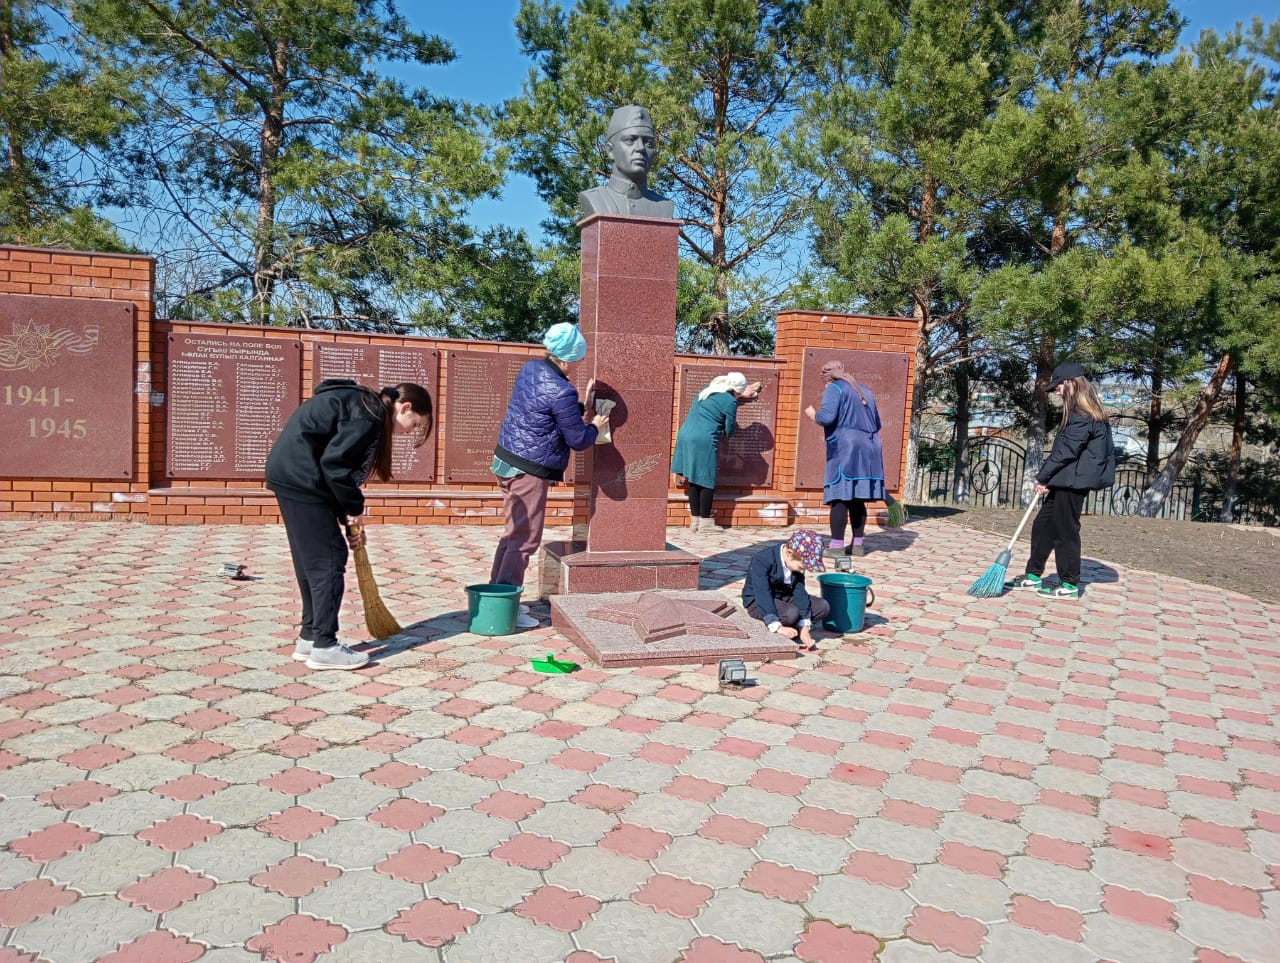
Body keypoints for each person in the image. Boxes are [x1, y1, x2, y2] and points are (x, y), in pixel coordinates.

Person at [265, 380, 433, 670]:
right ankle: (325, 646)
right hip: (303, 479)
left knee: (311, 562)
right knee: (329, 561)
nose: (410, 432)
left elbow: (333, 468)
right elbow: (335, 467)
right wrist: (354, 509)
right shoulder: (368, 414)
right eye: (415, 424)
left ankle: (309, 638)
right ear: (405, 407)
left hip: (293, 477)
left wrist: (348, 517)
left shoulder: (363, 407)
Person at [491, 322, 611, 629]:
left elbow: (544, 410)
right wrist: (595, 425)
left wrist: (580, 406)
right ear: (570, 357)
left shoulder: (530, 369)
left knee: (512, 534)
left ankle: (496, 595)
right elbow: (578, 440)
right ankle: (506, 605)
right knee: (525, 539)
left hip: (506, 460)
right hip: (528, 470)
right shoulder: (562, 390)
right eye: (579, 357)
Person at [1011, 361, 1115, 601]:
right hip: (1066, 478)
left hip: (1074, 482)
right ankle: (1033, 574)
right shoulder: (1080, 412)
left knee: (1065, 530)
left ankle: (1069, 584)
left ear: (1071, 383)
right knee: (1043, 525)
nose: (1056, 391)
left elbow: (1066, 452)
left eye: (1058, 386)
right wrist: (1050, 478)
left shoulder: (1082, 414)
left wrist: (1043, 477)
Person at [804, 360, 886, 559]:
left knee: (839, 496)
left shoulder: (835, 387)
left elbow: (826, 417)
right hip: (870, 448)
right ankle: (858, 545)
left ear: (828, 375)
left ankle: (836, 546)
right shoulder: (865, 390)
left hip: (846, 448)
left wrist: (813, 415)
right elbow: (877, 423)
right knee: (857, 498)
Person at [671, 372, 761, 531]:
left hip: (685, 435)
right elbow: (729, 429)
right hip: (703, 439)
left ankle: (695, 521)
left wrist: (740, 395)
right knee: (706, 480)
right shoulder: (730, 401)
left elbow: (719, 402)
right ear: (738, 390)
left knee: (694, 479)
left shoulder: (708, 389)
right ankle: (705, 522)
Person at [578, 105, 676, 218]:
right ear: (610, 150)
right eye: (630, 140)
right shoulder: (596, 199)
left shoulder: (664, 207)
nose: (641, 148)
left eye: (648, 143)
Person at [742, 529, 831, 652]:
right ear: (789, 554)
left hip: (784, 597)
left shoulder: (795, 562)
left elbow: (800, 591)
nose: (802, 571)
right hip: (758, 601)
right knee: (791, 614)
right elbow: (762, 592)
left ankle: (796, 627)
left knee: (822, 606)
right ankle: (777, 624)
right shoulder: (762, 559)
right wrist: (776, 625)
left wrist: (804, 625)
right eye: (801, 567)